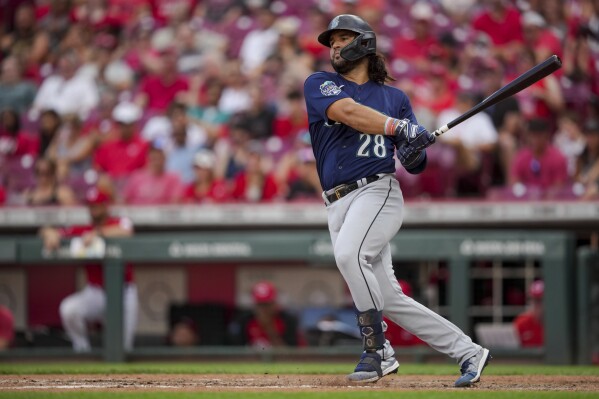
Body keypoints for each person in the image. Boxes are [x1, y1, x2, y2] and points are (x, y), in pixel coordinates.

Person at [303, 14, 490, 386]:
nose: (335, 46)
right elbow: (349, 113)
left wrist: (414, 146)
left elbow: (416, 164)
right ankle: (468, 351)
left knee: (348, 256)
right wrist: (399, 128)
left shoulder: (394, 97)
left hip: (377, 192)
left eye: (342, 38)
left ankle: (378, 352)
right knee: (387, 297)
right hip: (336, 201)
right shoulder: (320, 83)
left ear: (364, 44)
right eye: (332, 41)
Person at [38, 188, 138, 353]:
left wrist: (98, 233)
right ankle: (82, 350)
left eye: (98, 206)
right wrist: (50, 234)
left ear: (106, 206)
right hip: (96, 292)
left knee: (124, 348)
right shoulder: (83, 229)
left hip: (124, 292)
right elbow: (47, 230)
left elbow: (127, 232)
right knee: (69, 309)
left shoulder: (119, 221)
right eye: (91, 206)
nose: (94, 210)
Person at [229, 281, 301, 349]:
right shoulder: (244, 320)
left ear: (274, 303)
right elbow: (237, 351)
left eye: (267, 304)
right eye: (260, 304)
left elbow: (290, 354)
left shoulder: (288, 320)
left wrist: (269, 329)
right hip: (252, 361)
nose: (263, 309)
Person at [513, 280, 544, 347]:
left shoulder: (557, 325)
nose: (535, 305)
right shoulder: (521, 322)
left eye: (539, 300)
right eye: (532, 300)